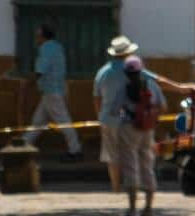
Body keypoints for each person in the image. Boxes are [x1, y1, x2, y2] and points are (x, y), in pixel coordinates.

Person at [113, 56, 164, 216]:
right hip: (147, 129)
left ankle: (132, 208)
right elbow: (163, 106)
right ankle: (148, 207)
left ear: (126, 73)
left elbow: (114, 110)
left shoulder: (123, 88)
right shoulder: (153, 86)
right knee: (147, 166)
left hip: (128, 128)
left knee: (130, 166)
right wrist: (152, 118)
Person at [23, 24, 83, 159]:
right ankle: (23, 145)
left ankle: (75, 150)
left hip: (51, 91)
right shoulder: (57, 47)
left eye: (38, 36)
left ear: (43, 37)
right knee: (38, 122)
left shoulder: (45, 49)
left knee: (63, 121)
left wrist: (27, 84)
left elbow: (40, 71)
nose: (36, 39)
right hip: (55, 89)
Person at [95, 35, 138, 191]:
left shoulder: (103, 72)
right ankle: (130, 187)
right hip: (129, 118)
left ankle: (115, 188)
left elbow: (97, 98)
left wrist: (100, 117)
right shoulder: (132, 70)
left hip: (107, 118)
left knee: (112, 155)